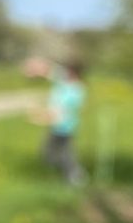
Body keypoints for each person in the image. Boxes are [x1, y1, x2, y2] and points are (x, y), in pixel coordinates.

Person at [25, 57, 87, 186]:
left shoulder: (76, 90)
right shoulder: (64, 81)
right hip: (57, 125)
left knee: (59, 154)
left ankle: (75, 176)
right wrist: (36, 68)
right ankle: (72, 175)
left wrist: (40, 117)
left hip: (64, 126)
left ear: (74, 72)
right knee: (57, 154)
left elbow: (60, 112)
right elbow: (49, 71)